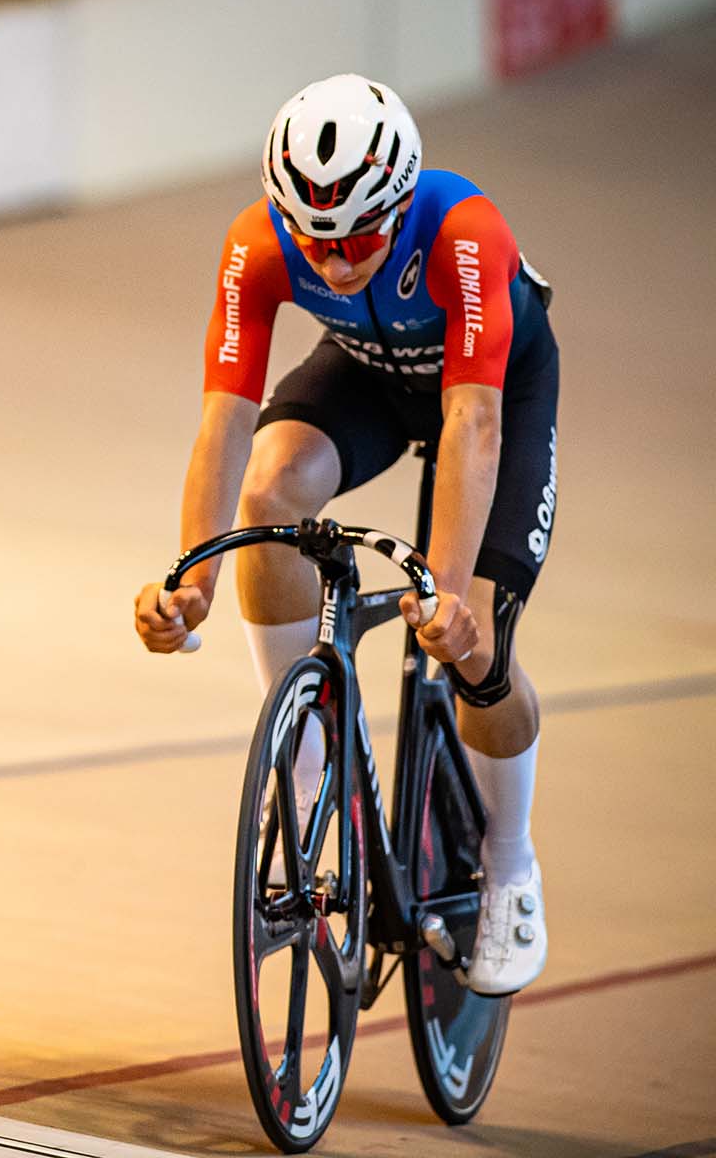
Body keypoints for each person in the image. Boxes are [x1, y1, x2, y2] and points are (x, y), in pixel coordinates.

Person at [132, 74, 558, 996]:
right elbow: (225, 421)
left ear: (401, 202)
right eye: (315, 241)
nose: (334, 265)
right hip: (367, 374)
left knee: (475, 645)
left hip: (494, 392)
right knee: (270, 493)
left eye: (362, 238)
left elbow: (474, 427)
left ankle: (512, 866)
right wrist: (192, 576)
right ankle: (305, 759)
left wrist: (443, 591)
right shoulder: (258, 242)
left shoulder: (465, 233)